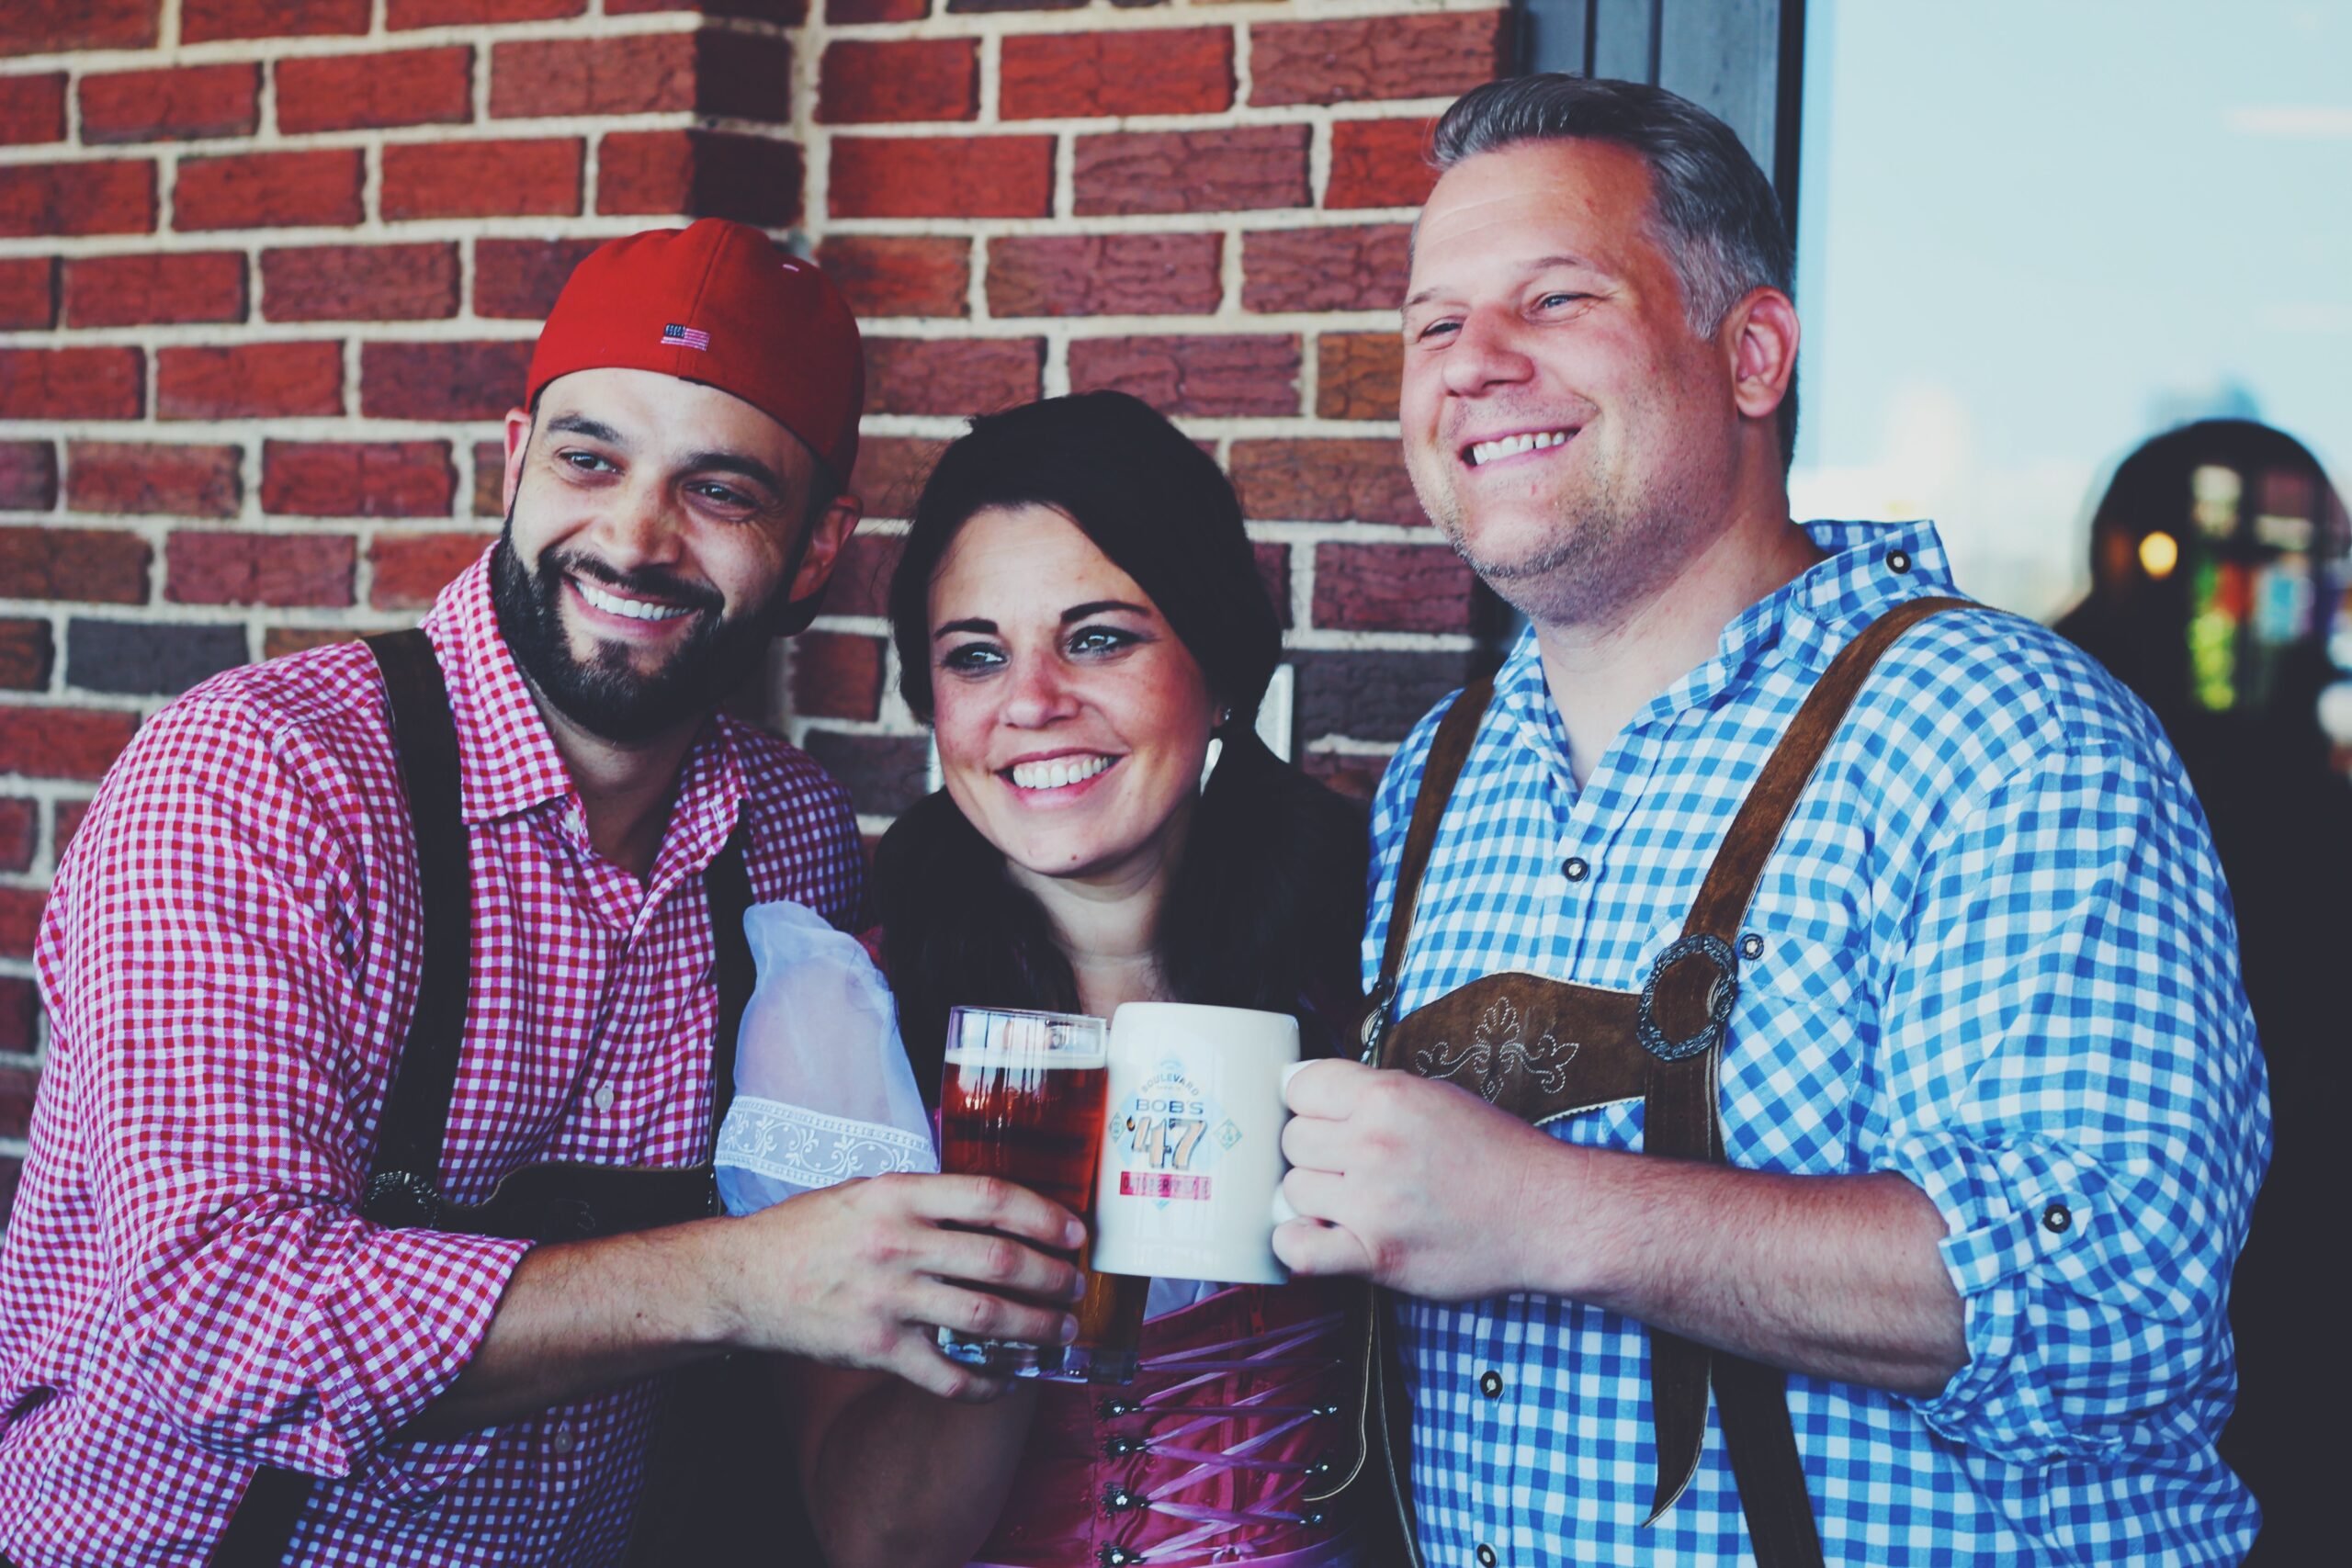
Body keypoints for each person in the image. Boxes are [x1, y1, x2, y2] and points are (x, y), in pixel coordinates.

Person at [1271, 75, 2268, 1565]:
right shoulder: (1437, 770)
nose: (1471, 365)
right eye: (1432, 324)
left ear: (1752, 354)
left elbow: (2115, 1294)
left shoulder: (1995, 728)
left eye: (1553, 299)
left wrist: (1547, 1212)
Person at [0, 220, 1088, 1566]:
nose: (632, 537)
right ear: (515, 461)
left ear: (816, 549)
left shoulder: (793, 840)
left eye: (722, 490)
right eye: (588, 459)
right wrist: (747, 1280)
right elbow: (211, 1324)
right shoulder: (268, 773)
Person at [780, 391, 1374, 1568]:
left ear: (1217, 670)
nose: (1033, 702)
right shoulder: (851, 1019)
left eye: (1098, 636)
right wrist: (1025, 1266)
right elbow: (877, 1542)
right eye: (976, 656)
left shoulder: (1373, 959)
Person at [2054, 420, 2351, 1564]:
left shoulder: (2290, 762)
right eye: (2256, 559)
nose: (2295, 598)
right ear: (2132, 555)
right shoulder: (2061, 746)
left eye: (2313, 564)